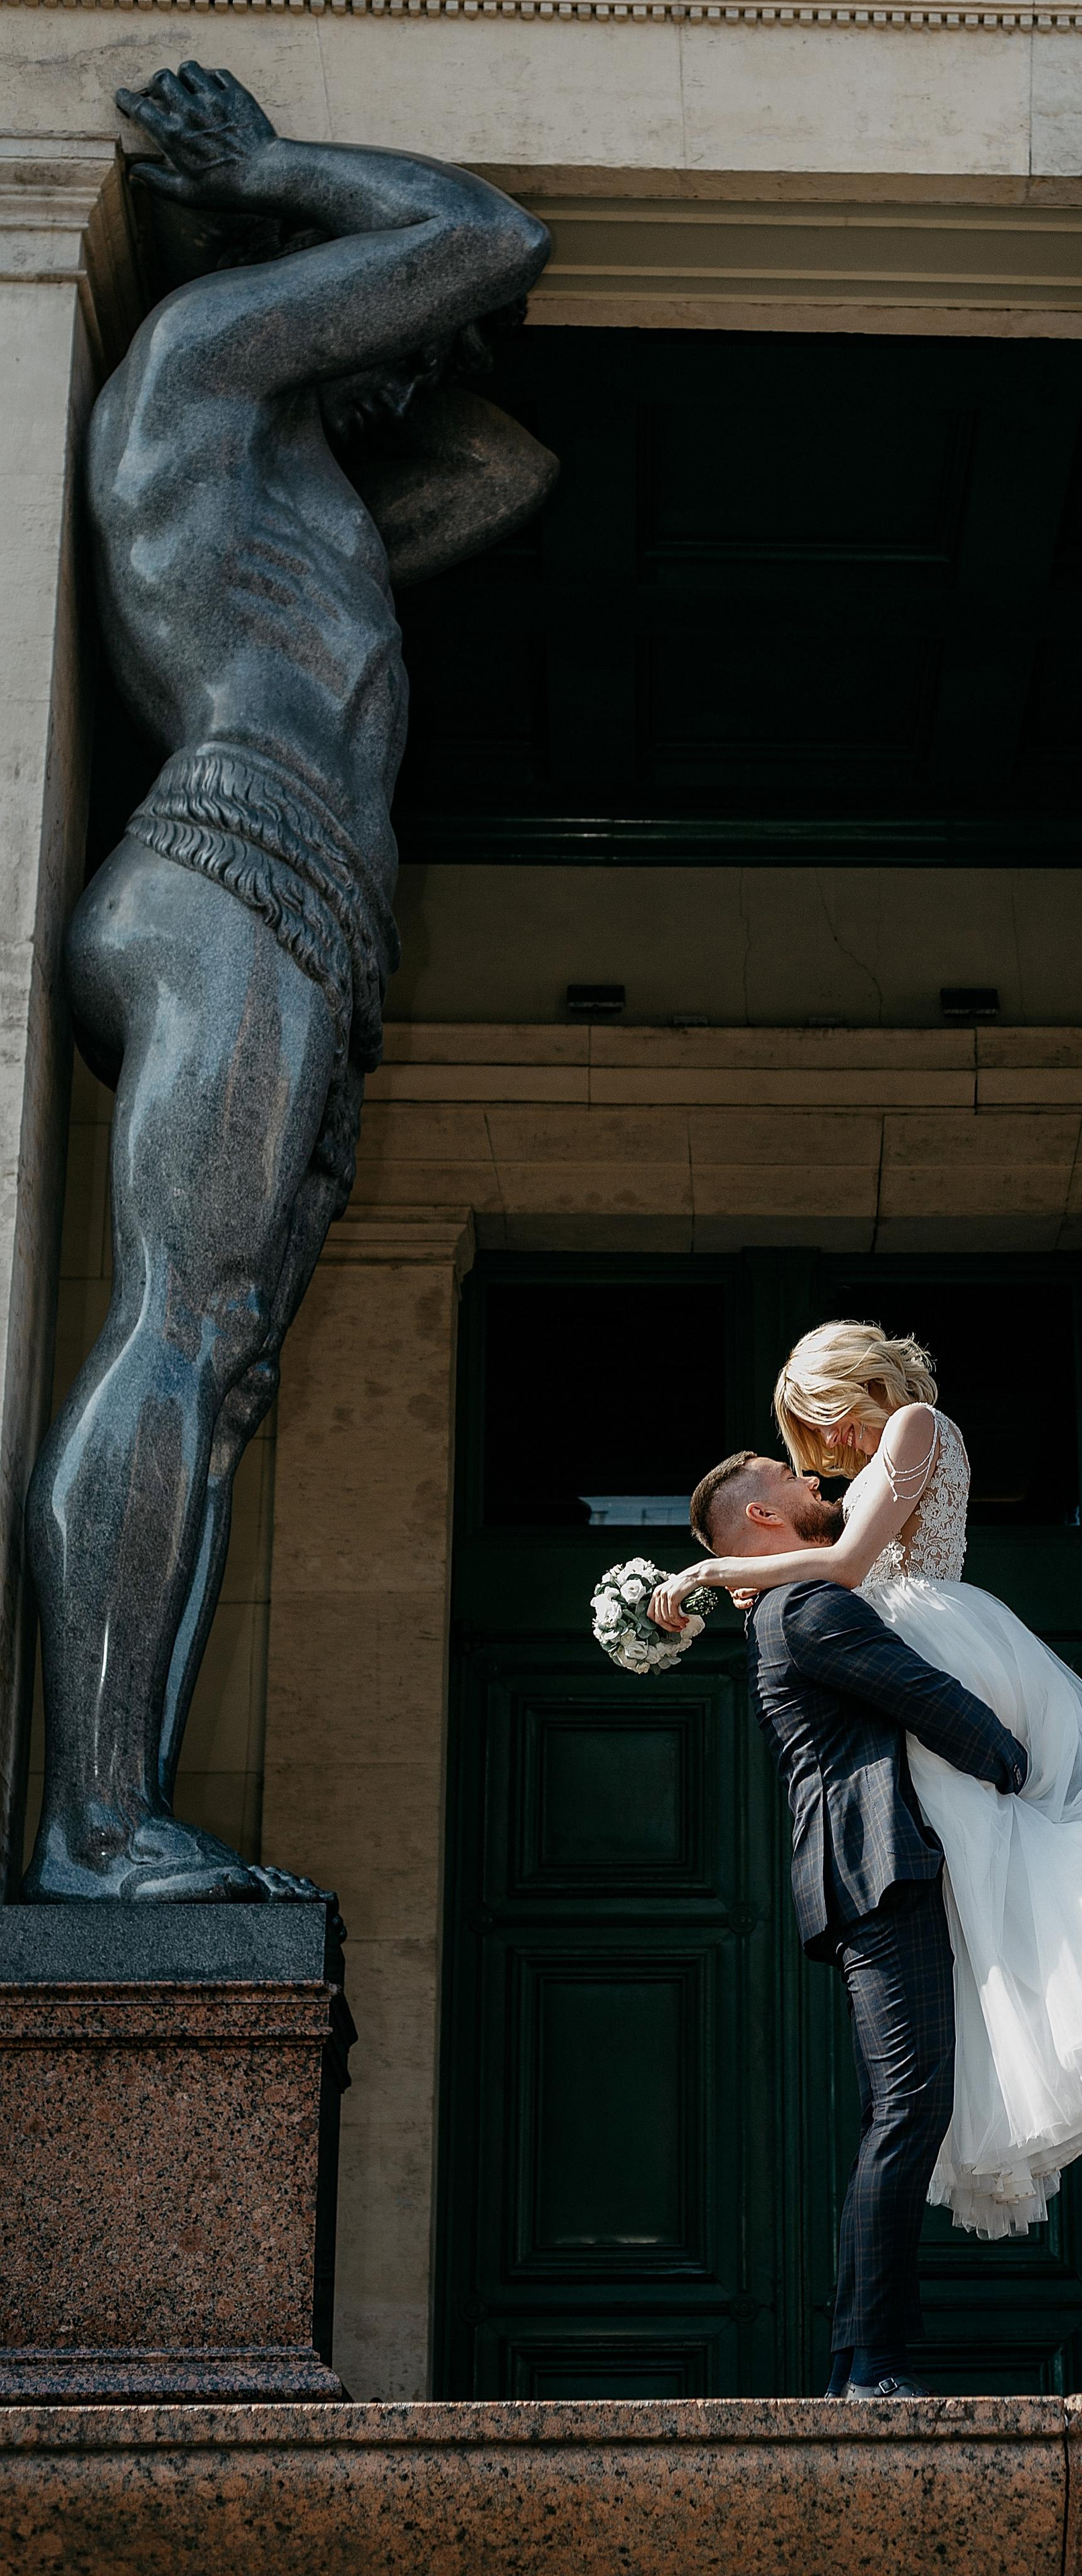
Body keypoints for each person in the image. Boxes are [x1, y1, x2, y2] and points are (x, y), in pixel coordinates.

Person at [24, 65, 555, 1903]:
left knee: (219, 1359)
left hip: (299, 902)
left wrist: (383, 356)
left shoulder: (304, 488)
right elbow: (486, 232)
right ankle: (92, 1824)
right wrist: (275, 176)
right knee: (177, 1324)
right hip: (225, 865)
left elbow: (505, 464)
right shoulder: (194, 376)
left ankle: (118, 1803)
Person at [655, 1324, 1082, 2248]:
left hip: (938, 1638)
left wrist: (726, 1570)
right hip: (914, 1631)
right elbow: (839, 1562)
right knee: (1021, 1850)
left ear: (855, 1388)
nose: (829, 1454)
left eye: (827, 1425)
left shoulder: (914, 1427)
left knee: (1019, 1832)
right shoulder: (884, 1456)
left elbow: (851, 1565)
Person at [686, 1444, 1028, 2400]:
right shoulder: (809, 1607)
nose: (814, 1481)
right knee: (907, 2111)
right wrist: (1020, 1769)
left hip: (870, 1877)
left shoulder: (785, 1608)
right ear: (761, 1517)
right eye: (784, 1474)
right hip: (878, 1874)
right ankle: (872, 2365)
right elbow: (928, 1700)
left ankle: (860, 2364)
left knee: (904, 2110)